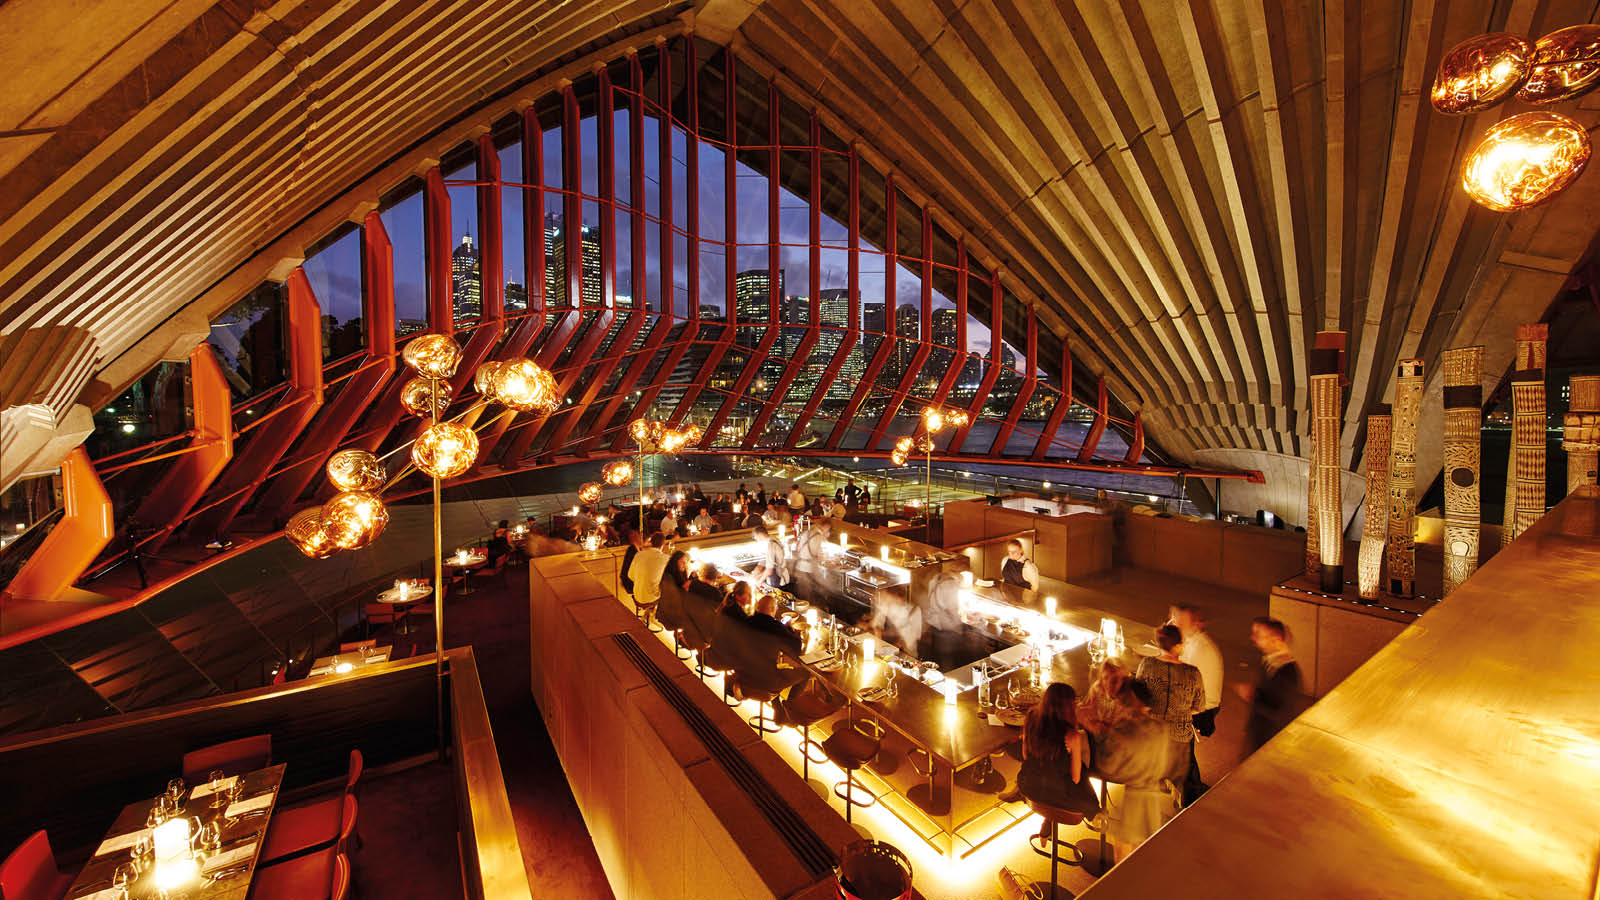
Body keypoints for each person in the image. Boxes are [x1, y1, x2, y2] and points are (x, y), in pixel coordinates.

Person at [1092, 680, 1178, 857]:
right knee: (1146, 850)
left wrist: (1103, 735)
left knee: (1123, 854)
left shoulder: (1126, 732)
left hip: (1133, 800)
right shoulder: (1161, 729)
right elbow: (1167, 765)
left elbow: (1108, 767)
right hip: (1152, 797)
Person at [1015, 683, 1101, 837]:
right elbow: (1075, 778)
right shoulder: (1071, 735)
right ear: (1068, 707)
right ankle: (1098, 817)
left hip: (1029, 787)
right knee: (1083, 780)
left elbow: (1025, 756)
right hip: (1058, 795)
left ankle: (1047, 822)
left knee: (1050, 770)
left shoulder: (1031, 718)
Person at [1135, 625, 1205, 784]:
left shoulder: (1146, 664)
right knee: (1179, 780)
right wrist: (1180, 711)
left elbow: (1138, 698)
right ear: (1178, 645)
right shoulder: (1192, 673)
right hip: (1179, 736)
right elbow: (1199, 707)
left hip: (1152, 732)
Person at [1170, 604, 1222, 804]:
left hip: (1203, 707)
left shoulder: (1200, 648)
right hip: (1193, 700)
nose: (1174, 622)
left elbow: (1186, 685)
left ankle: (1190, 789)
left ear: (1194, 623)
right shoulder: (1190, 642)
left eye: (1178, 620)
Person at [1237, 617, 1303, 752]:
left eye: (1258, 635)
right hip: (1259, 735)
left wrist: (1252, 695)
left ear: (1276, 639)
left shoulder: (1288, 673)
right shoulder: (1269, 661)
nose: (1253, 638)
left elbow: (1280, 712)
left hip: (1270, 741)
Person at [1078, 660, 1130, 735]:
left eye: (1114, 680)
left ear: (1124, 680)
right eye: (1105, 678)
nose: (1109, 685)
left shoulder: (1128, 699)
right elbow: (1087, 708)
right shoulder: (1097, 689)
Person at [868, 583, 922, 655]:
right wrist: (877, 631)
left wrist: (897, 643)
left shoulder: (914, 611)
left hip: (907, 654)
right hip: (887, 649)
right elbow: (876, 624)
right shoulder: (887, 605)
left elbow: (913, 638)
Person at [631, 533, 670, 623]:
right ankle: (657, 616)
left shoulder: (639, 555)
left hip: (637, 595)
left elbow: (631, 576)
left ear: (651, 542)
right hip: (651, 598)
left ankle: (649, 614)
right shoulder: (665, 558)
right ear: (663, 545)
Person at [793, 515, 830, 603]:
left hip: (799, 568)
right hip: (810, 571)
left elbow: (797, 548)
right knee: (810, 599)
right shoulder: (820, 538)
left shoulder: (806, 533)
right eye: (828, 528)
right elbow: (822, 558)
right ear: (825, 526)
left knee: (802, 597)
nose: (828, 530)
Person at [749, 524, 789, 589]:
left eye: (755, 537)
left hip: (778, 579)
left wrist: (759, 582)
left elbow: (770, 570)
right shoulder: (772, 539)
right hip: (778, 577)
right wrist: (757, 574)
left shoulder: (771, 545)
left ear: (759, 535)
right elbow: (764, 562)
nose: (756, 539)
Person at [619, 528, 644, 596]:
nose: (642, 538)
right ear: (635, 538)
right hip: (630, 584)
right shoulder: (633, 551)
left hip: (631, 582)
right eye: (640, 536)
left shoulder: (633, 549)